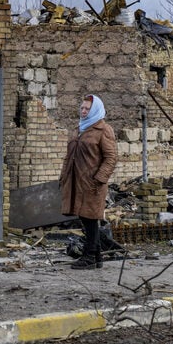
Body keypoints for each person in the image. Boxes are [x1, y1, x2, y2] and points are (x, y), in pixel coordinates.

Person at [59, 94, 117, 269]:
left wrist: (99, 179)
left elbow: (111, 157)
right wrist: (63, 177)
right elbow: (69, 157)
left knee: (90, 218)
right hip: (76, 181)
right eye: (82, 108)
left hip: (92, 183)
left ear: (96, 110)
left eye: (87, 109)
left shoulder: (103, 130)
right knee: (86, 218)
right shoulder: (79, 129)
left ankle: (89, 256)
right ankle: (97, 256)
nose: (83, 111)